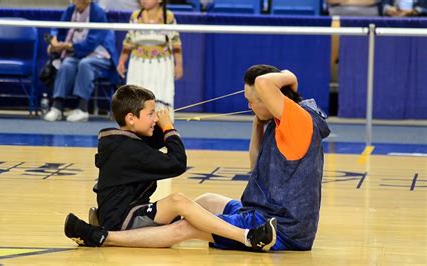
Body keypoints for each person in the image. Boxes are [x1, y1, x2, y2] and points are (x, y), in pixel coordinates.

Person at [64, 65, 330, 251]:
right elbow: (256, 165)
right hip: (267, 211)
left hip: (279, 227)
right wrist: (257, 122)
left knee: (188, 225)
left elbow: (263, 82)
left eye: (253, 101)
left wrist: (289, 77)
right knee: (206, 201)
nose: (249, 106)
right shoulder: (278, 121)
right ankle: (146, 229)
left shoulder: (298, 120)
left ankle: (105, 237)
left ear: (273, 97)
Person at [43, 0, 119, 122]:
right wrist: (54, 40)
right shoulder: (70, 9)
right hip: (78, 52)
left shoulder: (98, 12)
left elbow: (91, 43)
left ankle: (83, 109)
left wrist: (66, 46)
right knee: (66, 64)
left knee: (85, 64)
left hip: (100, 53)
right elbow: (58, 28)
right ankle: (56, 107)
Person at [117, 0, 183, 118]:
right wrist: (121, 62)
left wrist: (179, 64)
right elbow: (128, 42)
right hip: (138, 65)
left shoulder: (168, 17)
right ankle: (135, 131)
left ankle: (162, 130)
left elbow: (176, 43)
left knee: (161, 97)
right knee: (137, 98)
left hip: (161, 65)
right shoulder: (136, 16)